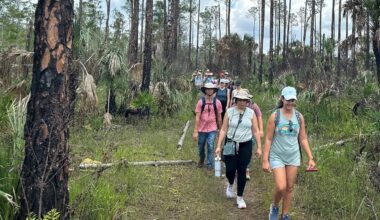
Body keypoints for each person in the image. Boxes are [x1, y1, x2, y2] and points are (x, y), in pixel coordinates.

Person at [262, 86, 317, 220]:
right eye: (287, 100)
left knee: (290, 187)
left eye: (292, 100)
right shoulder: (275, 116)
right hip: (277, 156)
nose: (290, 103)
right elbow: (268, 139)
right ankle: (274, 206)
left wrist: (310, 157)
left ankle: (285, 214)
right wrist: (265, 160)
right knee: (281, 187)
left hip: (293, 156)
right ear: (282, 99)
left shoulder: (299, 117)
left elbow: (303, 138)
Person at [215, 89, 262, 209]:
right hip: (231, 143)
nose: (242, 102)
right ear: (235, 100)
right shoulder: (229, 112)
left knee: (242, 170)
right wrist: (219, 146)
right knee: (230, 170)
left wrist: (259, 147)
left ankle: (240, 197)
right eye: (240, 100)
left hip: (245, 144)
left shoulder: (251, 113)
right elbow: (224, 130)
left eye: (245, 100)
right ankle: (230, 183)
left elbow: (255, 131)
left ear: (248, 101)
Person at [193, 83, 223, 173]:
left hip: (212, 128)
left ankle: (209, 165)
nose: (209, 90)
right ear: (205, 90)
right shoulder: (200, 102)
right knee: (201, 146)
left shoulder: (217, 102)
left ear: (214, 90)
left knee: (210, 146)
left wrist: (220, 130)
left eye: (211, 89)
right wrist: (195, 131)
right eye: (207, 89)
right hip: (202, 129)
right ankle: (202, 158)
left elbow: (219, 117)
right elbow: (197, 117)